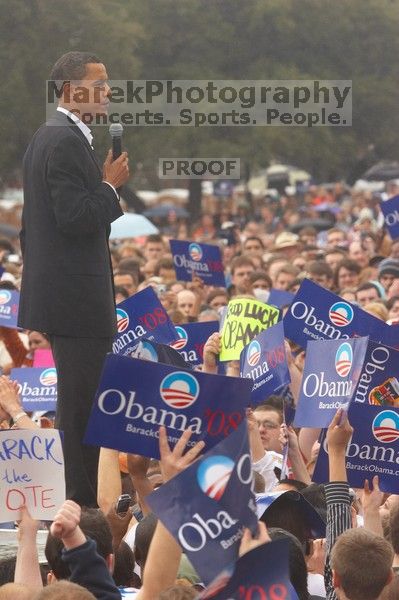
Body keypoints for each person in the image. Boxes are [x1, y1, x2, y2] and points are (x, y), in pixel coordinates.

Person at [18, 51, 130, 506]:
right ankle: (79, 505)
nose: (107, 92)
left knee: (79, 400)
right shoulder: (62, 140)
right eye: (98, 84)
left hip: (67, 296)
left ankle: (77, 499)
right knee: (82, 405)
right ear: (69, 91)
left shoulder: (56, 137)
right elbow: (73, 217)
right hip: (75, 299)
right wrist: (109, 186)